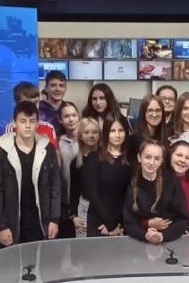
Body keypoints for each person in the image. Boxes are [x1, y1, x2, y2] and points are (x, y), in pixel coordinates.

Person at [0, 101, 61, 249]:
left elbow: (55, 187)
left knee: (41, 261)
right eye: (23, 121)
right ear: (15, 123)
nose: (28, 125)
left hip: (41, 223)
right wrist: (1, 226)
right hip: (12, 224)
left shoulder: (47, 149)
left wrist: (54, 219)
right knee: (12, 262)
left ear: (37, 123)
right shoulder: (1, 152)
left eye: (32, 121)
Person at [123, 140, 189, 244]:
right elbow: (129, 223)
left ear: (161, 160)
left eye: (157, 159)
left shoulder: (172, 181)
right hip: (140, 241)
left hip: (170, 240)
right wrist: (145, 235)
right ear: (139, 157)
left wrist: (162, 236)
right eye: (148, 157)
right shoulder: (132, 182)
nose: (152, 163)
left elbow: (182, 220)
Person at [83, 113, 133, 237]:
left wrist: (118, 224)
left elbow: (129, 195)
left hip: (122, 222)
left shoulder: (131, 159)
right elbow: (93, 194)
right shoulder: (94, 157)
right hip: (98, 220)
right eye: (112, 131)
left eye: (121, 130)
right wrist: (110, 225)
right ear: (106, 132)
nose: (117, 135)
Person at [67, 117, 101, 238]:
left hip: (104, 207)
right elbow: (74, 191)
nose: (91, 135)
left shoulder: (105, 159)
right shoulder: (76, 162)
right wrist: (74, 216)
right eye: (87, 132)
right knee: (84, 246)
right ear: (80, 136)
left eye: (94, 132)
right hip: (84, 208)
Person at [4, 82, 58, 148]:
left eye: (35, 102)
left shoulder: (48, 128)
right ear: (17, 104)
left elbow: (54, 153)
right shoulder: (11, 128)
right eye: (27, 103)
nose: (32, 107)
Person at [56, 101, 81, 238]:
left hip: (83, 203)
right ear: (60, 120)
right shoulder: (58, 143)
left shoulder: (87, 139)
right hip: (64, 203)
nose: (71, 119)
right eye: (66, 116)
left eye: (74, 115)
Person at [39, 70, 67, 134]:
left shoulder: (69, 109)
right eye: (53, 85)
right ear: (46, 88)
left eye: (61, 85)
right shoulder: (37, 109)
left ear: (65, 88)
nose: (57, 89)